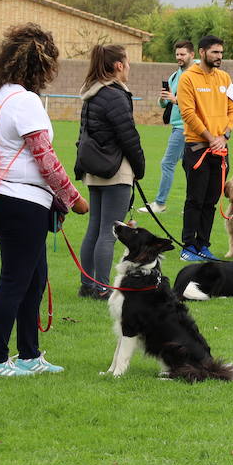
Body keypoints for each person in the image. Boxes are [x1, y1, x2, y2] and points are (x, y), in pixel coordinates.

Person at [0, 23, 89, 378]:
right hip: (21, 203)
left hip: (7, 200)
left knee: (34, 279)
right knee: (14, 281)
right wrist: (74, 199)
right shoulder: (25, 102)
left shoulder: (2, 97)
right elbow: (46, 158)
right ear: (41, 66)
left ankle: (28, 354)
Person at [75, 44, 145, 298]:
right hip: (115, 169)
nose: (129, 67)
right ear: (118, 65)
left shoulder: (92, 93)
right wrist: (139, 167)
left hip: (94, 169)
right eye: (126, 62)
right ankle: (102, 287)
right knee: (109, 231)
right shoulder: (114, 95)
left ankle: (88, 283)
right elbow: (129, 136)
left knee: (95, 228)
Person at [177, 35, 233, 262]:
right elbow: (188, 113)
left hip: (220, 150)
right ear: (202, 52)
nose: (219, 56)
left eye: (221, 52)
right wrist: (210, 137)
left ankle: (203, 244)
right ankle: (188, 246)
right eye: (215, 52)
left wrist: (224, 135)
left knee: (211, 201)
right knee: (195, 200)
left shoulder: (225, 78)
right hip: (197, 149)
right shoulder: (188, 79)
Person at [137, 40, 194, 216]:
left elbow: (196, 102)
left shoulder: (196, 74)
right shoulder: (174, 76)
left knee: (167, 163)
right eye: (177, 54)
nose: (179, 57)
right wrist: (164, 98)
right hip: (178, 125)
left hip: (184, 127)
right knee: (190, 168)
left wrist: (175, 99)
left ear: (192, 55)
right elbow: (164, 103)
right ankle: (192, 206)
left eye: (183, 54)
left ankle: (160, 203)